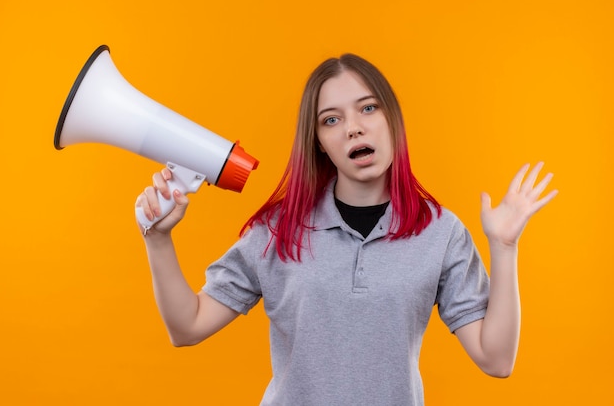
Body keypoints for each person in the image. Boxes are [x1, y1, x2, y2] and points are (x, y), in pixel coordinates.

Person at [135, 54, 557, 406]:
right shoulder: (278, 231)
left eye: (368, 108)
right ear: (318, 141)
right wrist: (157, 237)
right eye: (331, 120)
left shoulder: (440, 233)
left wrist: (503, 247)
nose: (354, 126)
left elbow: (496, 360)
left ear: (392, 119)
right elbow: (186, 327)